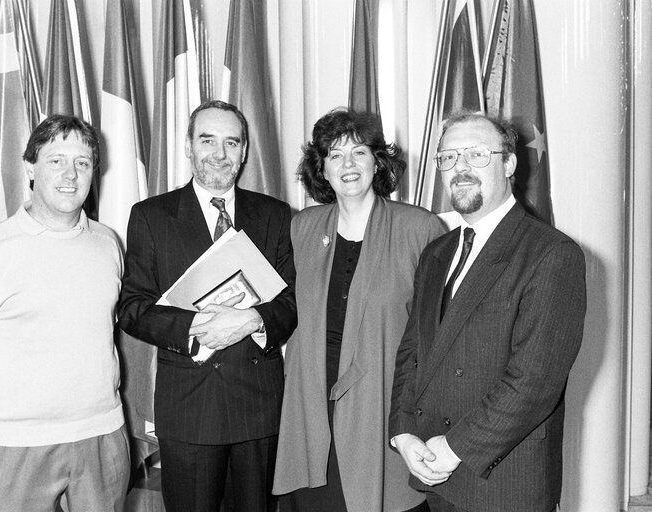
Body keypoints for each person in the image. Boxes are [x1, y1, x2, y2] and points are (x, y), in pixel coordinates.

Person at [388, 112, 586, 512]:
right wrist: (403, 431)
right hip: (435, 473)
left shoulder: (550, 253)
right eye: (448, 157)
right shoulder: (437, 253)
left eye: (477, 154)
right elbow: (413, 353)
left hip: (501, 479)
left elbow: (533, 381)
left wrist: (456, 448)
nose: (460, 168)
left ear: (509, 164)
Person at [0, 114, 129, 512]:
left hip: (101, 435)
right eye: (56, 160)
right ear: (30, 168)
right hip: (16, 444)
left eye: (82, 163)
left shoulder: (108, 244)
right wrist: (4, 407)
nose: (70, 174)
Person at [117, 100, 297, 512]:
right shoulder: (151, 216)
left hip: (259, 406)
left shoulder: (274, 215)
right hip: (189, 406)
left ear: (245, 151)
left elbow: (295, 299)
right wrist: (197, 328)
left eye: (231, 143)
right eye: (208, 140)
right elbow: (132, 306)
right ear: (188, 145)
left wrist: (252, 319)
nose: (219, 154)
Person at [272, 108, 445, 512]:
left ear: (377, 162)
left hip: (381, 400)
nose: (347, 164)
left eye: (359, 153)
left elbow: (438, 331)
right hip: (310, 401)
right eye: (335, 155)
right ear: (323, 170)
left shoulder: (419, 228)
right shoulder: (303, 227)